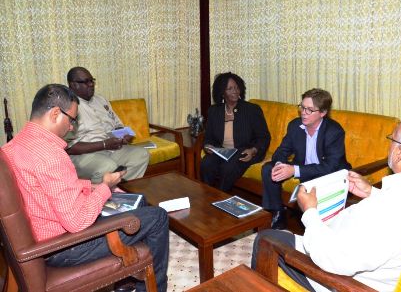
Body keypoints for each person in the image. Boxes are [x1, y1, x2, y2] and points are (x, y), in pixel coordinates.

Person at [2, 84, 169, 292]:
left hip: (45, 233)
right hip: (65, 247)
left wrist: (96, 186)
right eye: (72, 119)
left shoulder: (16, 144)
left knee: (138, 202)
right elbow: (77, 221)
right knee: (158, 217)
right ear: (55, 113)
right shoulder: (51, 155)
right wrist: (105, 188)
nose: (72, 127)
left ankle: (127, 280)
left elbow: (53, 188)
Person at [252, 117, 401, 292]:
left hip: (349, 280)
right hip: (387, 267)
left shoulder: (387, 211)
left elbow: (335, 261)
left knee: (266, 238)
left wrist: (310, 212)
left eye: (392, 139)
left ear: (399, 151)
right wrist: (372, 192)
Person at [262, 88, 351, 229]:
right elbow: (281, 151)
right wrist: (280, 165)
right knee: (268, 168)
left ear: (322, 113)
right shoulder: (295, 126)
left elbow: (330, 166)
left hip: (328, 173)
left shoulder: (334, 131)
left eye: (310, 110)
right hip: (304, 168)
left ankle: (313, 227)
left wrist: (294, 170)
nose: (303, 112)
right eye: (302, 107)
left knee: (308, 180)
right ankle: (278, 212)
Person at [65, 66, 149, 183]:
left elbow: (117, 124)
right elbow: (69, 147)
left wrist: (123, 134)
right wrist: (104, 144)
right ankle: (100, 197)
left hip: (111, 148)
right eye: (85, 82)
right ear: (73, 85)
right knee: (107, 167)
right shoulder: (67, 106)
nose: (91, 84)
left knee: (141, 155)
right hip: (83, 155)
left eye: (92, 80)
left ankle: (122, 192)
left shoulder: (101, 100)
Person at [200, 72, 271, 192]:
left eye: (237, 87)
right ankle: (208, 194)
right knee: (206, 164)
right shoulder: (214, 111)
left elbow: (264, 137)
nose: (235, 91)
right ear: (222, 92)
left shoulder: (252, 109)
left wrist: (253, 150)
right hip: (223, 151)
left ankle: (220, 196)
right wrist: (208, 146)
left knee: (229, 167)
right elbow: (209, 138)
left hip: (245, 151)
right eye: (230, 88)